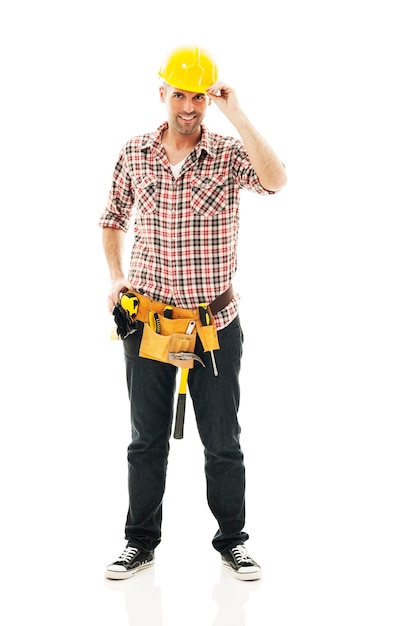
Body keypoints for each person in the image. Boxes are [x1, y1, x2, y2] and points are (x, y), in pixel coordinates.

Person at [99, 44, 287, 582]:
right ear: (163, 93)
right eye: (179, 93)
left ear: (209, 97)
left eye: (198, 96)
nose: (188, 105)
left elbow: (275, 180)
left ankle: (234, 540)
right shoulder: (135, 152)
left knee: (223, 441)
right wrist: (115, 277)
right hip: (149, 320)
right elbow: (111, 216)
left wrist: (236, 111)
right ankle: (140, 543)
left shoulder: (228, 154)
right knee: (145, 439)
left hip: (214, 325)